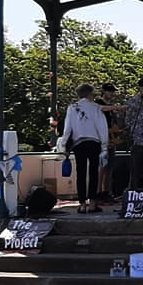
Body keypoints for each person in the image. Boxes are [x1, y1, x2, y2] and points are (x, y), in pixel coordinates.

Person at [61, 83, 109, 213]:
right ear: (89, 94)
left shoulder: (72, 107)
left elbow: (67, 128)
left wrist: (63, 144)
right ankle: (93, 203)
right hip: (94, 143)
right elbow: (102, 127)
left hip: (78, 143)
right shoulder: (95, 107)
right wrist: (104, 145)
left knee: (80, 173)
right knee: (93, 172)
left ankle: (82, 204)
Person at [94, 83, 125, 203]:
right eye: (109, 91)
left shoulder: (110, 108)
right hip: (101, 139)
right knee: (102, 167)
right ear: (103, 91)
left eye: (112, 92)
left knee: (109, 167)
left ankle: (106, 191)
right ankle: (97, 192)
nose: (111, 94)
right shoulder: (98, 103)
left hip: (110, 138)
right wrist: (117, 107)